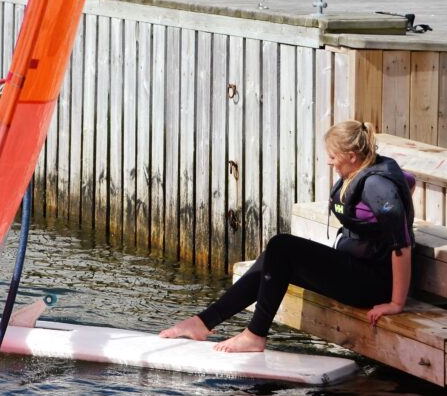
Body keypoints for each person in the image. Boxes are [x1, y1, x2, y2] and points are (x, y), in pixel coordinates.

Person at [160, 120, 414, 352]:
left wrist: (395, 303)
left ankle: (255, 334)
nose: (329, 161)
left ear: (352, 156)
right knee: (275, 256)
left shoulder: (377, 186)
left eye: (333, 156)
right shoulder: (371, 172)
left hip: (372, 284)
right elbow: (407, 181)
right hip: (357, 270)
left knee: (282, 247)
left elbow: (401, 243)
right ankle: (203, 322)